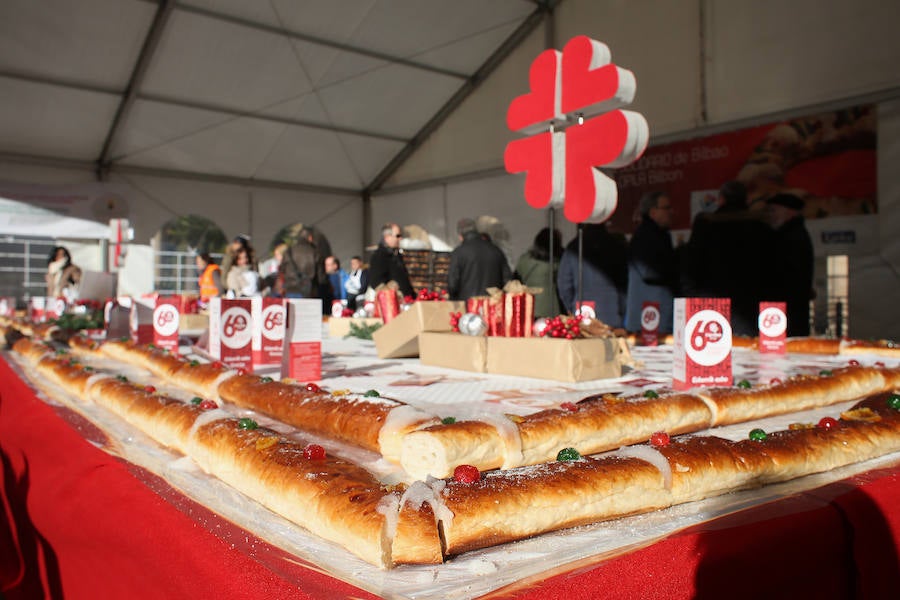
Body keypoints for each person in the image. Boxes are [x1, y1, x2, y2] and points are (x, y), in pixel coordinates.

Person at [681, 181, 772, 336]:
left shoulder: (706, 224)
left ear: (721, 199)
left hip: (710, 304)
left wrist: (691, 294)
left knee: (711, 355)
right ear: (746, 199)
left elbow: (692, 265)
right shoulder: (761, 226)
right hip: (749, 307)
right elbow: (770, 269)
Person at [624, 191, 678, 333]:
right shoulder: (645, 235)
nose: (671, 212)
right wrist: (677, 267)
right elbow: (648, 271)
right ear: (653, 212)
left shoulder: (660, 234)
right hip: (650, 316)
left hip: (656, 313)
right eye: (666, 208)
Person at [557, 223, 628, 328]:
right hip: (611, 311)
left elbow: (564, 285)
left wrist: (571, 306)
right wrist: (621, 309)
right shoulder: (616, 246)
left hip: (582, 310)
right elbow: (624, 284)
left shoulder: (574, 247)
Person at [765, 193, 814, 336]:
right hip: (789, 312)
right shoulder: (792, 234)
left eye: (774, 210)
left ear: (790, 212)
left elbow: (786, 275)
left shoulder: (790, 237)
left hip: (786, 312)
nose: (771, 215)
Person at [447, 218, 512, 301]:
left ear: (460, 236)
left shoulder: (458, 253)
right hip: (493, 304)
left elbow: (452, 285)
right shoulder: (496, 250)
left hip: (469, 305)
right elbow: (508, 280)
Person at [514, 227, 562, 318]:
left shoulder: (524, 259)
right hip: (551, 308)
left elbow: (516, 280)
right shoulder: (557, 264)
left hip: (528, 306)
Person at [278, 227, 330, 304]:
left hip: (290, 289)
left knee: (291, 314)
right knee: (307, 315)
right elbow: (321, 278)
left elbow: (282, 270)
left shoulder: (289, 251)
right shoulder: (315, 252)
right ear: (310, 238)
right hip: (309, 291)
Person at [368, 223, 415, 298]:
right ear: (387, 237)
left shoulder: (396, 255)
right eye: (398, 236)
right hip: (393, 304)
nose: (400, 239)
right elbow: (376, 282)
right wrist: (395, 296)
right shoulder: (379, 256)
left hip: (406, 301)